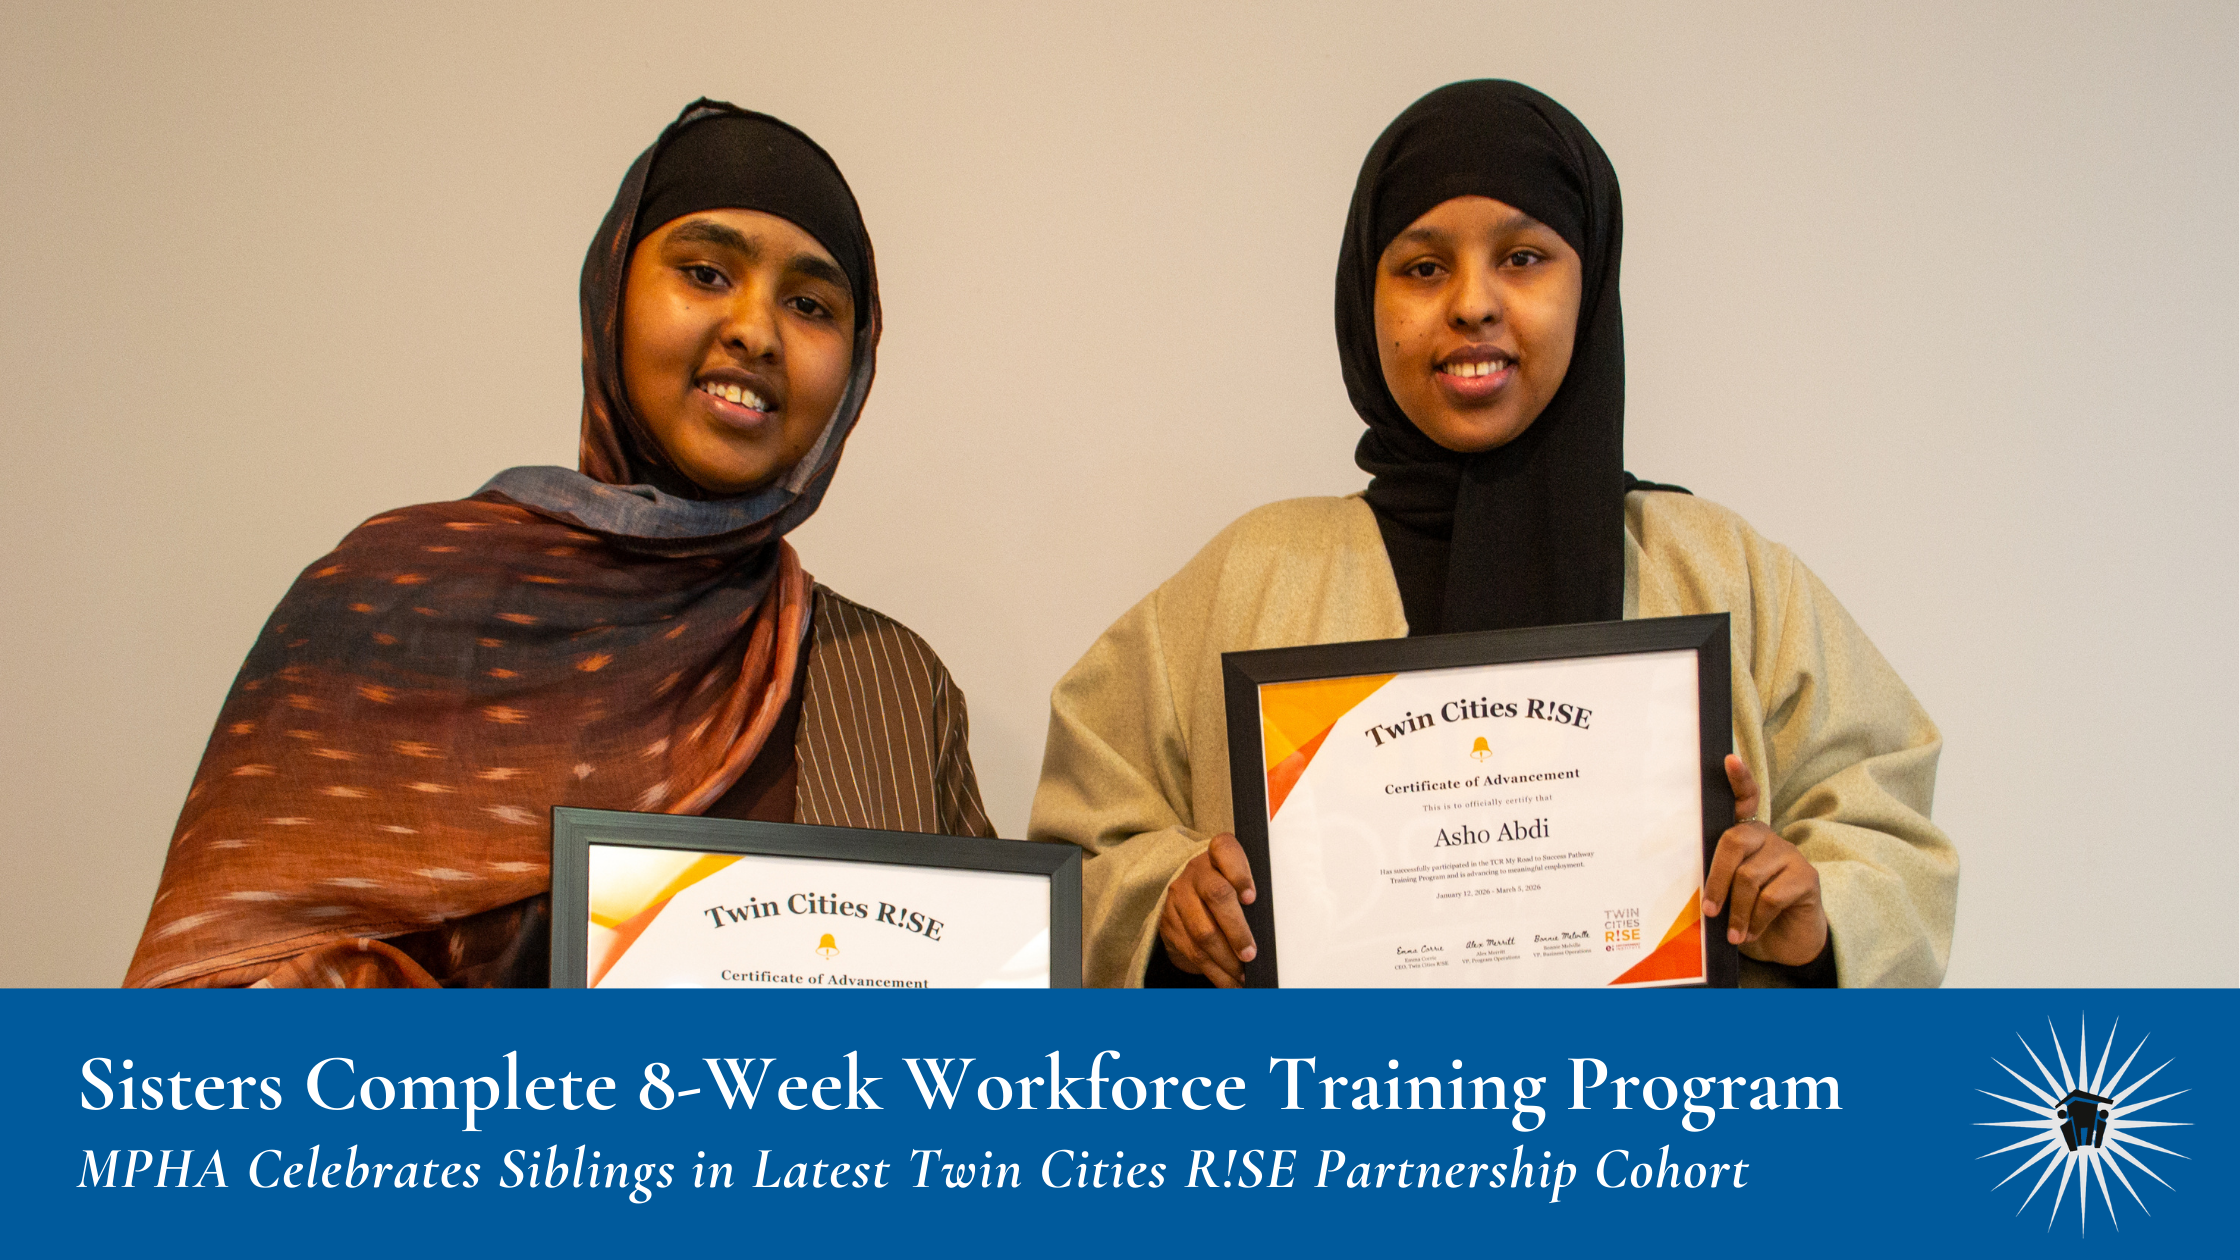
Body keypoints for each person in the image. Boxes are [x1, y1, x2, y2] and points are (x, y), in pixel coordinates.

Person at [1028, 81, 1957, 989]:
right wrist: (1168, 906)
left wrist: (1817, 907)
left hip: (1674, 1134)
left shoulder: (1724, 572)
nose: (1472, 302)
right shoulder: (1248, 577)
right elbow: (1077, 860)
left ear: (1591, 283)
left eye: (1523, 257)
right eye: (1424, 267)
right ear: (1365, 297)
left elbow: (1890, 837)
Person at [125, 100, 992, 990]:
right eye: (703, 273)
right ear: (612, 300)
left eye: (810, 305)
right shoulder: (393, 611)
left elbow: (997, 1056)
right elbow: (193, 1034)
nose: (756, 331)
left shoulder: (887, 681)